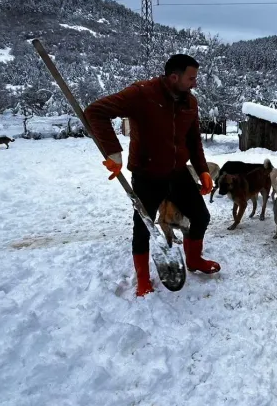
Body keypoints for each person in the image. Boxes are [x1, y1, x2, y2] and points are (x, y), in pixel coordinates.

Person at [83, 54, 219, 297]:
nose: (194, 83)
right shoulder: (142, 93)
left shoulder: (190, 103)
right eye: (191, 78)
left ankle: (194, 260)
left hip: (178, 173)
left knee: (201, 217)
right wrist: (114, 154)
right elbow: (96, 112)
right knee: (143, 227)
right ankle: (143, 280)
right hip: (147, 175)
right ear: (174, 77)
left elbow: (193, 140)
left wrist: (203, 171)